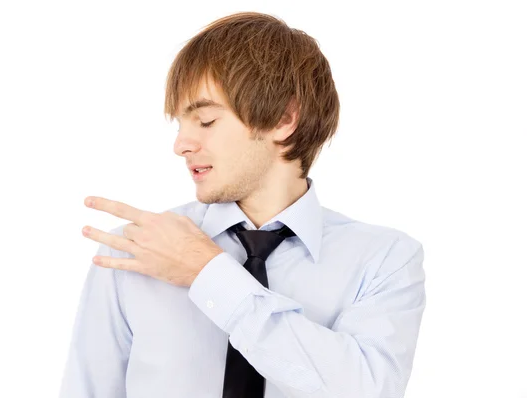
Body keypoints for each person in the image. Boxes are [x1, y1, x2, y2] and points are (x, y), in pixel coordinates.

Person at [59, 11, 426, 398]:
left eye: (205, 120)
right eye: (180, 125)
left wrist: (208, 273)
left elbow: (368, 389)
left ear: (284, 118)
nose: (181, 145)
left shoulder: (384, 260)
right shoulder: (135, 252)